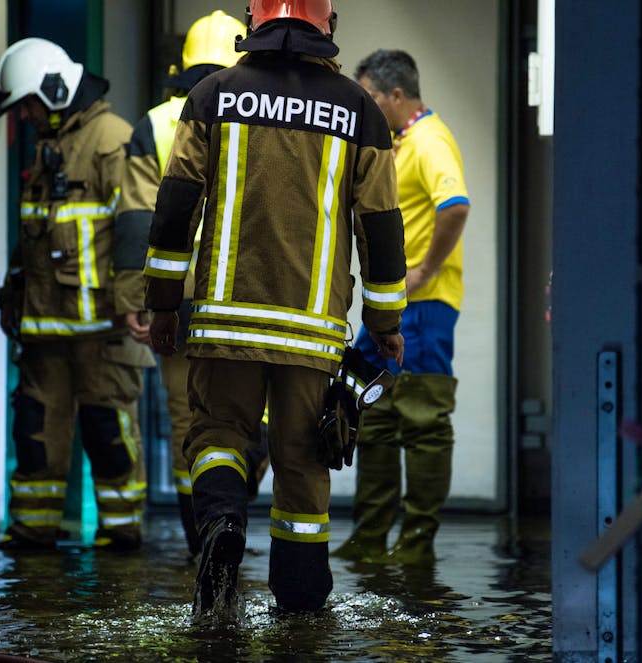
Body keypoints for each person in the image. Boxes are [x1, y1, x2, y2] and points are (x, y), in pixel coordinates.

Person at [143, 0, 406, 617]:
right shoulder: (359, 109)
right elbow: (382, 227)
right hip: (310, 334)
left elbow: (176, 205)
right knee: (302, 464)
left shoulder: (212, 95)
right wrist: (385, 325)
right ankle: (301, 607)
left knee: (217, 436)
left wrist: (161, 305)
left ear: (253, 23)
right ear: (328, 26)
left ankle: (222, 527)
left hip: (223, 320)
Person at [115, 9, 268, 560]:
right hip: (248, 290)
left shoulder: (155, 123)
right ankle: (240, 492)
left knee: (192, 420)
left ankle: (204, 541)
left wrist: (139, 299)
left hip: (180, 296)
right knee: (257, 409)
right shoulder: (261, 112)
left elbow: (139, 218)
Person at [0, 37, 154, 551]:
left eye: (30, 106)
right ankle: (32, 529)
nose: (27, 118)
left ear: (54, 90)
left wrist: (133, 301)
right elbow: (36, 235)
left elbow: (135, 229)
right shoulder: (50, 149)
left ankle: (121, 531)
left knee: (107, 430)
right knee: (36, 430)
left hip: (103, 327)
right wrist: (12, 298)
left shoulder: (112, 140)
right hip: (45, 326)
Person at [333, 49, 471, 566]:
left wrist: (427, 270)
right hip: (391, 305)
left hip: (426, 306)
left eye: (370, 96)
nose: (366, 105)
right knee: (377, 413)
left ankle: (416, 544)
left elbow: (454, 205)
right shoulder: (400, 141)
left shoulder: (432, 140)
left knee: (424, 420)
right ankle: (371, 536)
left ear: (396, 95)